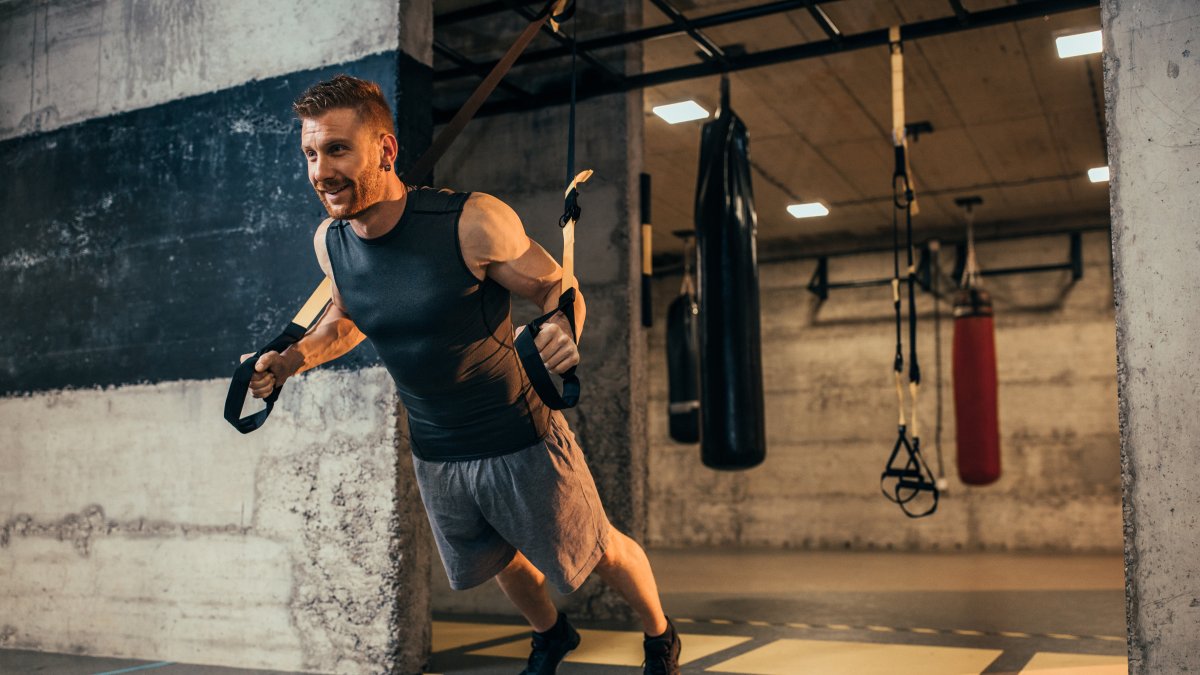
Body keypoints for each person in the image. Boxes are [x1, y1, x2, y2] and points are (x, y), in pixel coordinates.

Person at [240, 75, 681, 675]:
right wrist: (288, 362)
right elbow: (346, 319)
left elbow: (555, 286)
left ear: (386, 150)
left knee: (596, 548)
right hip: (437, 448)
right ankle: (552, 635)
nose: (320, 171)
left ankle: (659, 635)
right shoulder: (332, 242)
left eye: (337, 150)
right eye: (311, 154)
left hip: (517, 433)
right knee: (500, 558)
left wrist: (562, 325)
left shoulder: (470, 220)